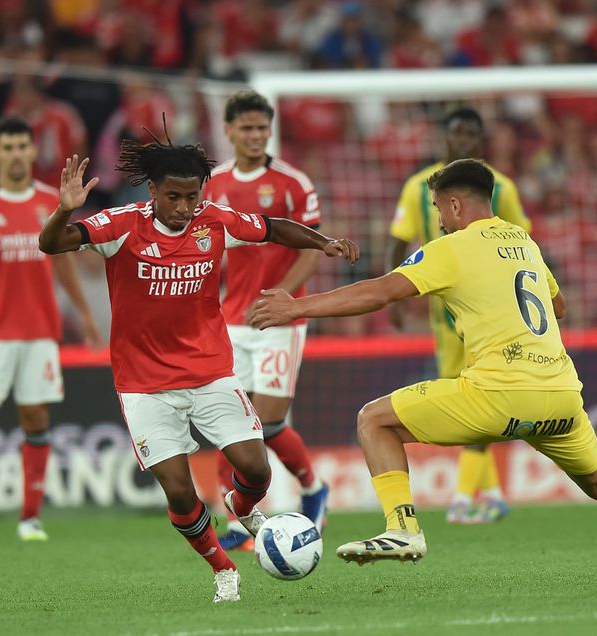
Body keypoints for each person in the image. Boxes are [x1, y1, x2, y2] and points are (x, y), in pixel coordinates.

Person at [249, 159, 597, 585]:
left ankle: (403, 529)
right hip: (561, 394)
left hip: (499, 394)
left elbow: (381, 292)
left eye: (438, 208)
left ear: (455, 205)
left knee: (374, 419)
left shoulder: (450, 248)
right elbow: (558, 305)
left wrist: (297, 307)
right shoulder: (523, 240)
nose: (438, 219)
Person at [37, 137, 358, 602]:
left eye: (192, 196)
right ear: (152, 190)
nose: (184, 207)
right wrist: (64, 210)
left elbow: (273, 228)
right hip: (144, 384)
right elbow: (51, 244)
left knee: (257, 470)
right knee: (181, 493)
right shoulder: (122, 225)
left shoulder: (215, 221)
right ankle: (223, 569)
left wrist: (322, 242)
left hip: (209, 372)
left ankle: (240, 506)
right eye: (174, 196)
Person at [0, 116, 101, 546]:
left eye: (22, 146)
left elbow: (63, 261)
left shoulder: (51, 201)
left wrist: (84, 312)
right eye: (8, 147)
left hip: (39, 331)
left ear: (33, 151)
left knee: (35, 418)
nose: (16, 154)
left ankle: (30, 519)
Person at [388, 106, 531, 524]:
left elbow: (523, 242)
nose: (464, 140)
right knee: (465, 396)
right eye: (457, 133)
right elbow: (398, 239)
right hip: (445, 316)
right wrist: (394, 296)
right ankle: (492, 492)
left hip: (489, 312)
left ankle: (463, 496)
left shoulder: (501, 188)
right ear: (445, 137)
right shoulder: (418, 187)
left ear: (480, 140)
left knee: (480, 398)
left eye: (471, 133)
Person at [203, 89, 329, 552]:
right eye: (247, 128)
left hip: (282, 319)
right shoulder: (212, 183)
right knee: (230, 422)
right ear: (229, 130)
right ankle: (240, 520)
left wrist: (285, 297)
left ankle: (313, 487)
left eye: (262, 128)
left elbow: (312, 248)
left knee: (269, 422)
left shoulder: (293, 183)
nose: (256, 135)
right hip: (232, 319)